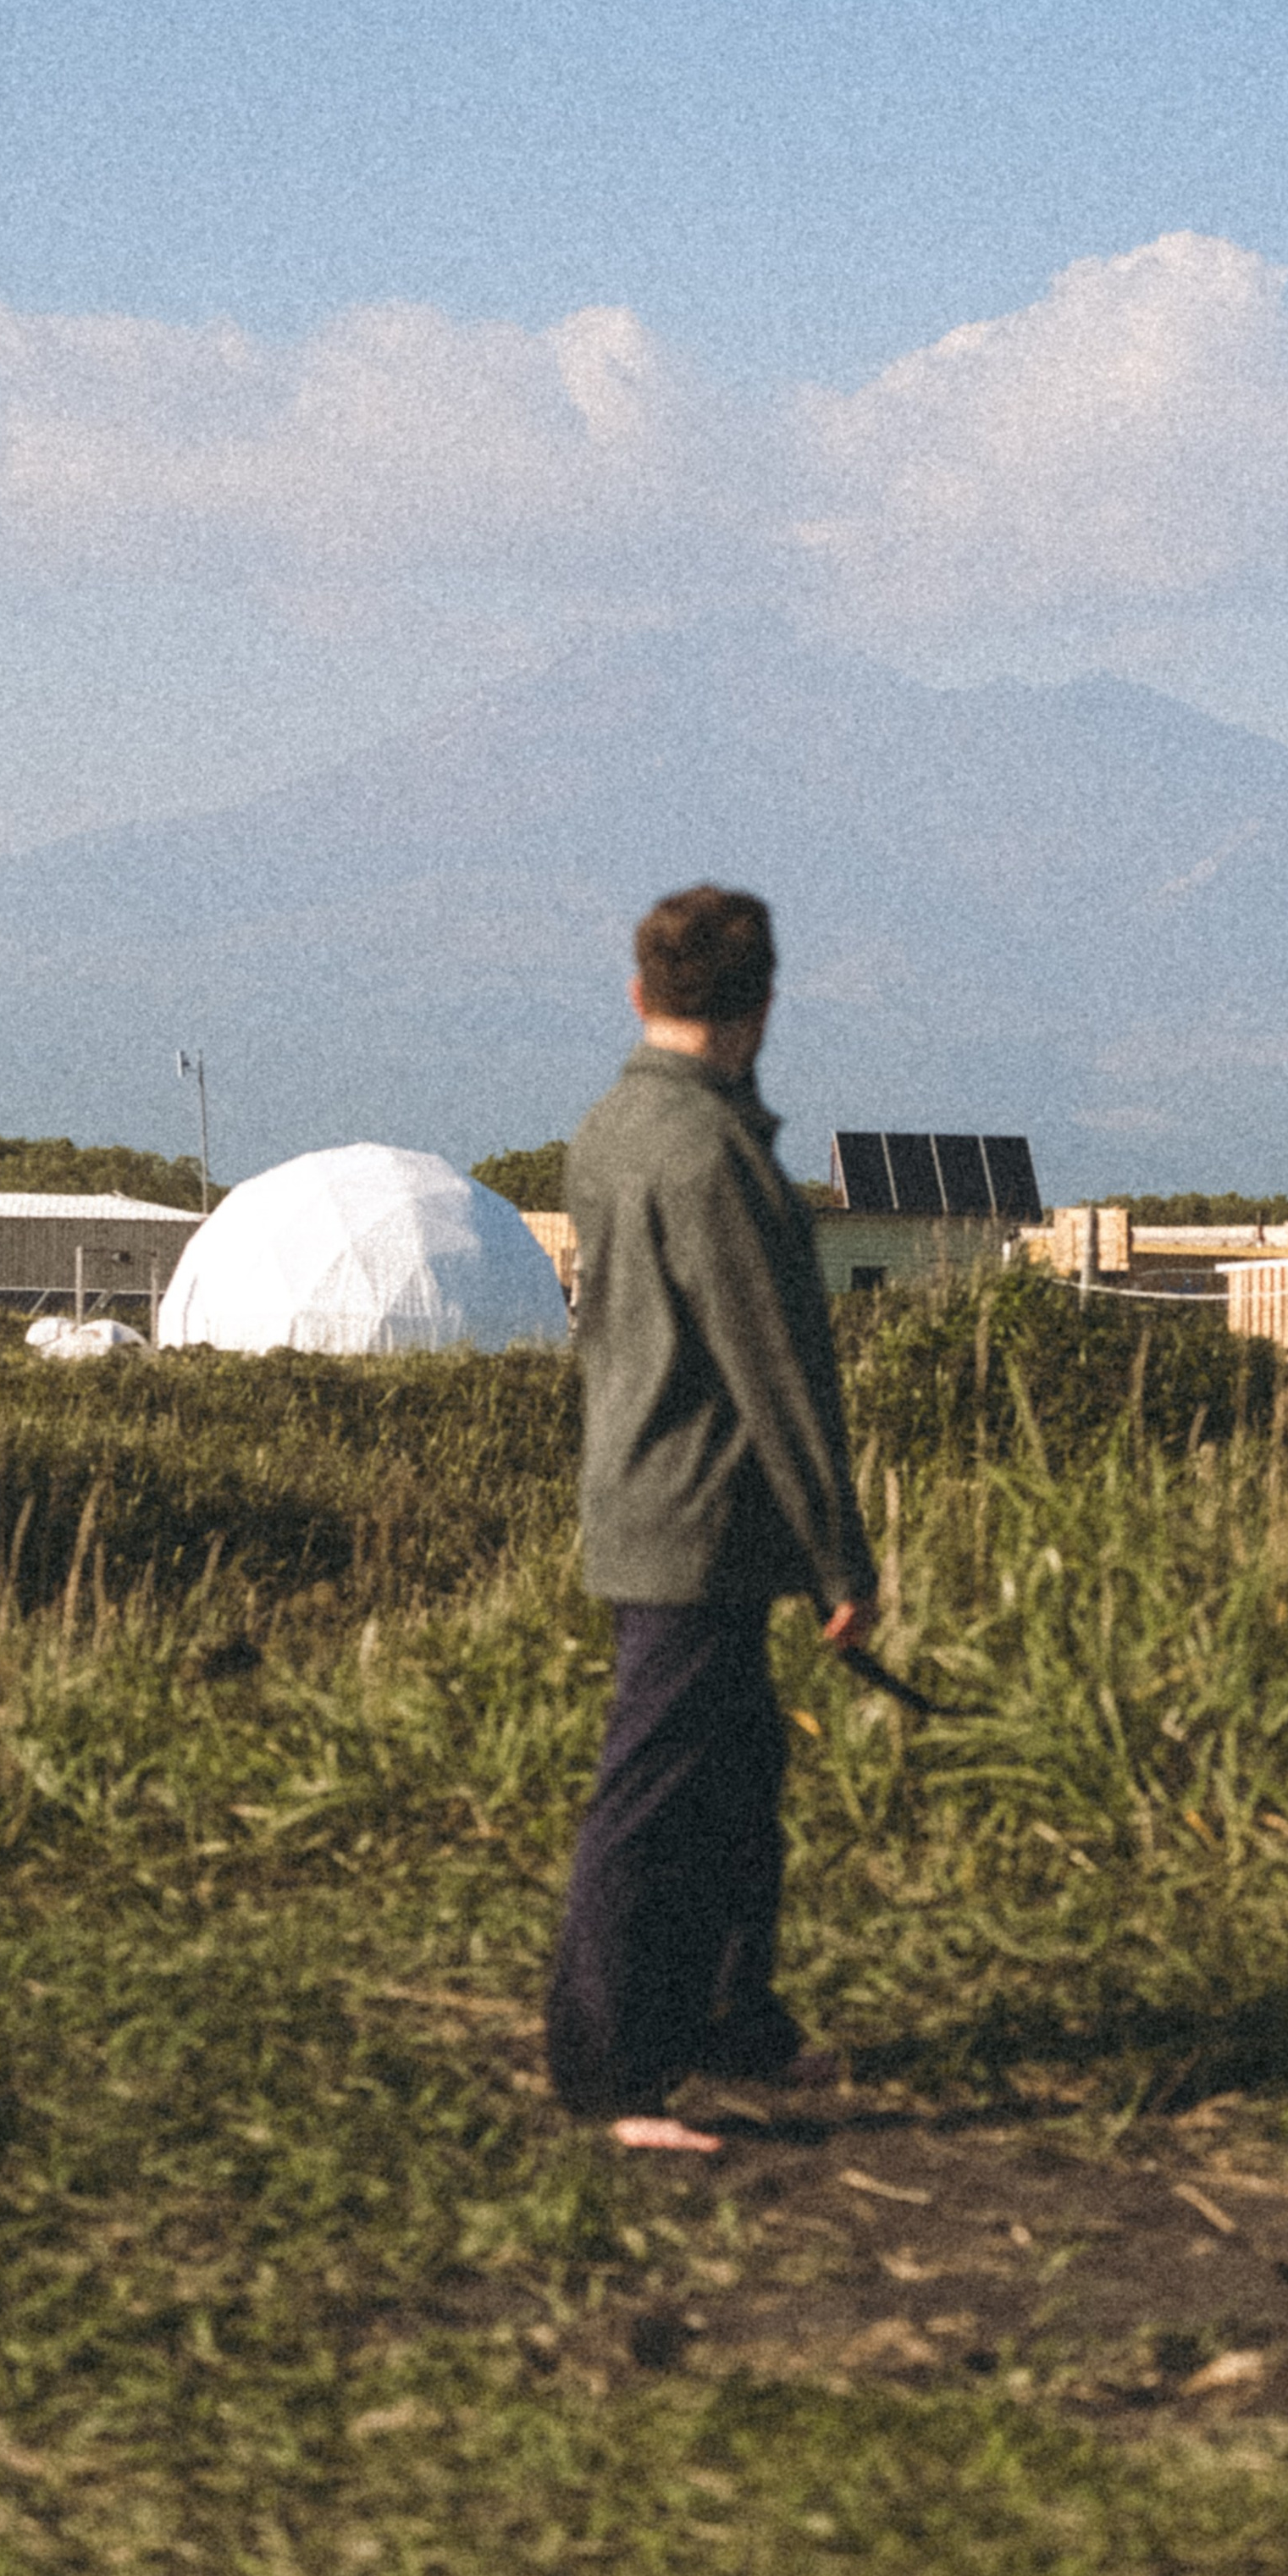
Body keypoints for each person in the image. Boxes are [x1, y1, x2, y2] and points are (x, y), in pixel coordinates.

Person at [546, 885, 877, 2153]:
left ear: (640, 994)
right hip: (702, 1517)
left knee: (739, 1769)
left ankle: (739, 2018)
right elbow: (775, 1368)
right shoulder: (712, 1157)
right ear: (763, 1008)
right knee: (654, 1791)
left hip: (640, 1493)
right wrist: (838, 1553)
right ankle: (610, 2072)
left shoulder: (613, 1128)